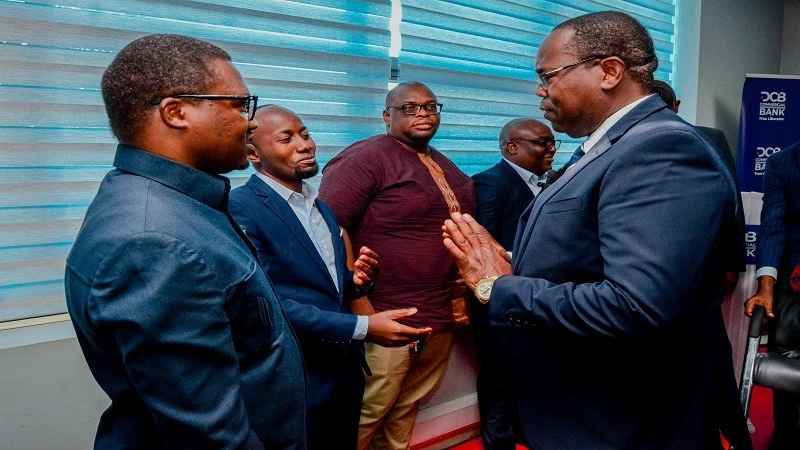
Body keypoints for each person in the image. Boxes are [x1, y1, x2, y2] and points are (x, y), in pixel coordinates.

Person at [442, 11, 747, 449]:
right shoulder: (612, 144)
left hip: (620, 420)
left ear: (608, 71)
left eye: (548, 74)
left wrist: (502, 287)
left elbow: (636, 305)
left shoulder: (661, 148)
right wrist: (515, 263)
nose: (540, 89)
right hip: (581, 407)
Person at [64, 34, 306, 449]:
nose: (250, 121)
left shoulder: (176, 200)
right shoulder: (153, 242)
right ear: (176, 112)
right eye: (238, 104)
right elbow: (209, 436)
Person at [228, 105, 433, 450]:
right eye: (286, 139)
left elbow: (327, 285)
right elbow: (269, 302)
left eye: (305, 134)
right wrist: (365, 327)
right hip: (297, 371)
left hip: (344, 370)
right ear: (252, 153)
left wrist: (360, 280)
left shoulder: (320, 206)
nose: (304, 145)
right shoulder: (241, 207)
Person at [318, 81, 475, 450]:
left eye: (431, 107)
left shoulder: (442, 162)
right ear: (387, 116)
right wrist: (362, 309)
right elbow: (327, 228)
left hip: (440, 313)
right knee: (367, 411)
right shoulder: (366, 157)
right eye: (410, 107)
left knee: (406, 408)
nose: (423, 114)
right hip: (387, 313)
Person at [651, 79, 751, 448]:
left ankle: (729, 432)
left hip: (703, 274)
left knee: (709, 359)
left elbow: (731, 205)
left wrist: (731, 264)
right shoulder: (611, 144)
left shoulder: (708, 137)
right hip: (647, 277)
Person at [471, 118, 557, 449]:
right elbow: (484, 244)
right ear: (512, 147)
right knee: (497, 377)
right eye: (542, 142)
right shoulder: (491, 183)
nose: (550, 148)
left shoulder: (547, 182)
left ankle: (526, 432)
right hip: (499, 299)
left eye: (552, 142)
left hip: (533, 296)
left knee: (527, 372)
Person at [745, 141, 800, 450]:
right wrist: (765, 288)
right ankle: (786, 431)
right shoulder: (782, 163)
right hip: (796, 275)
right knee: (785, 351)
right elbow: (774, 227)